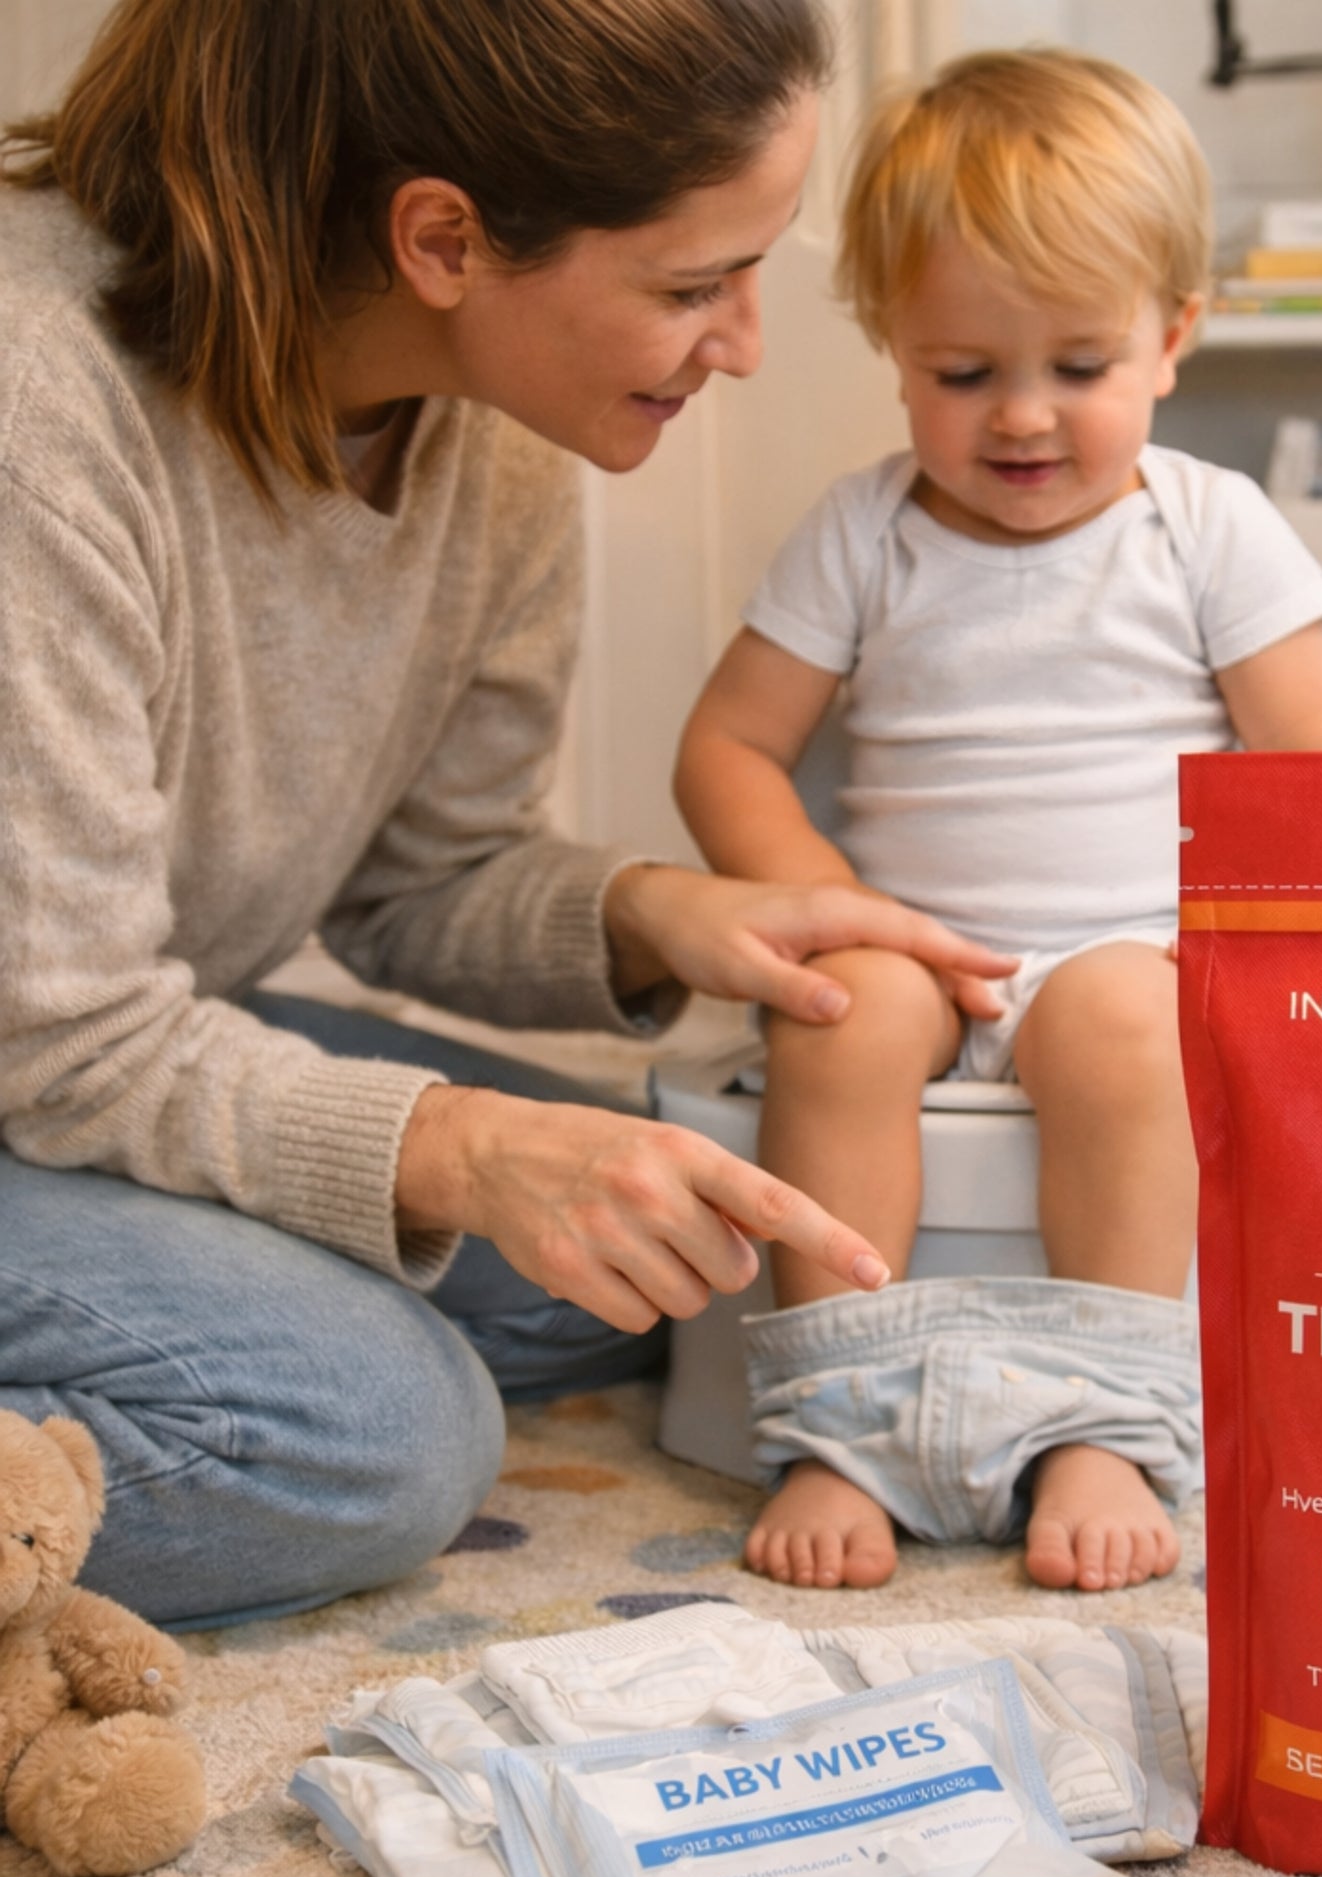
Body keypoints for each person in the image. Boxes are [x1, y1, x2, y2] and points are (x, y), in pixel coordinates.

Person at [0, 0, 1017, 1632]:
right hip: (42, 1046)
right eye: (694, 284)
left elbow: (419, 881)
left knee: (665, 1264)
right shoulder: (36, 407)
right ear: (443, 238)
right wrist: (463, 1149)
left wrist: (655, 914)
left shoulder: (498, 429)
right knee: (373, 1434)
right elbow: (57, 1037)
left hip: (100, 1021)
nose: (745, 342)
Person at [675, 48, 1322, 1597]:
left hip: (1123, 948)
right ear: (894, 351)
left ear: (1172, 339)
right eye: (963, 371)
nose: (1023, 417)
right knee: (840, 1017)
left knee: (1131, 1018)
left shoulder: (1205, 527)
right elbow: (729, 743)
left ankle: (1101, 1420)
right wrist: (829, 904)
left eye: (1078, 364)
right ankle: (836, 1425)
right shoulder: (862, 532)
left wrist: (1277, 979)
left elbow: (1319, 775)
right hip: (922, 950)